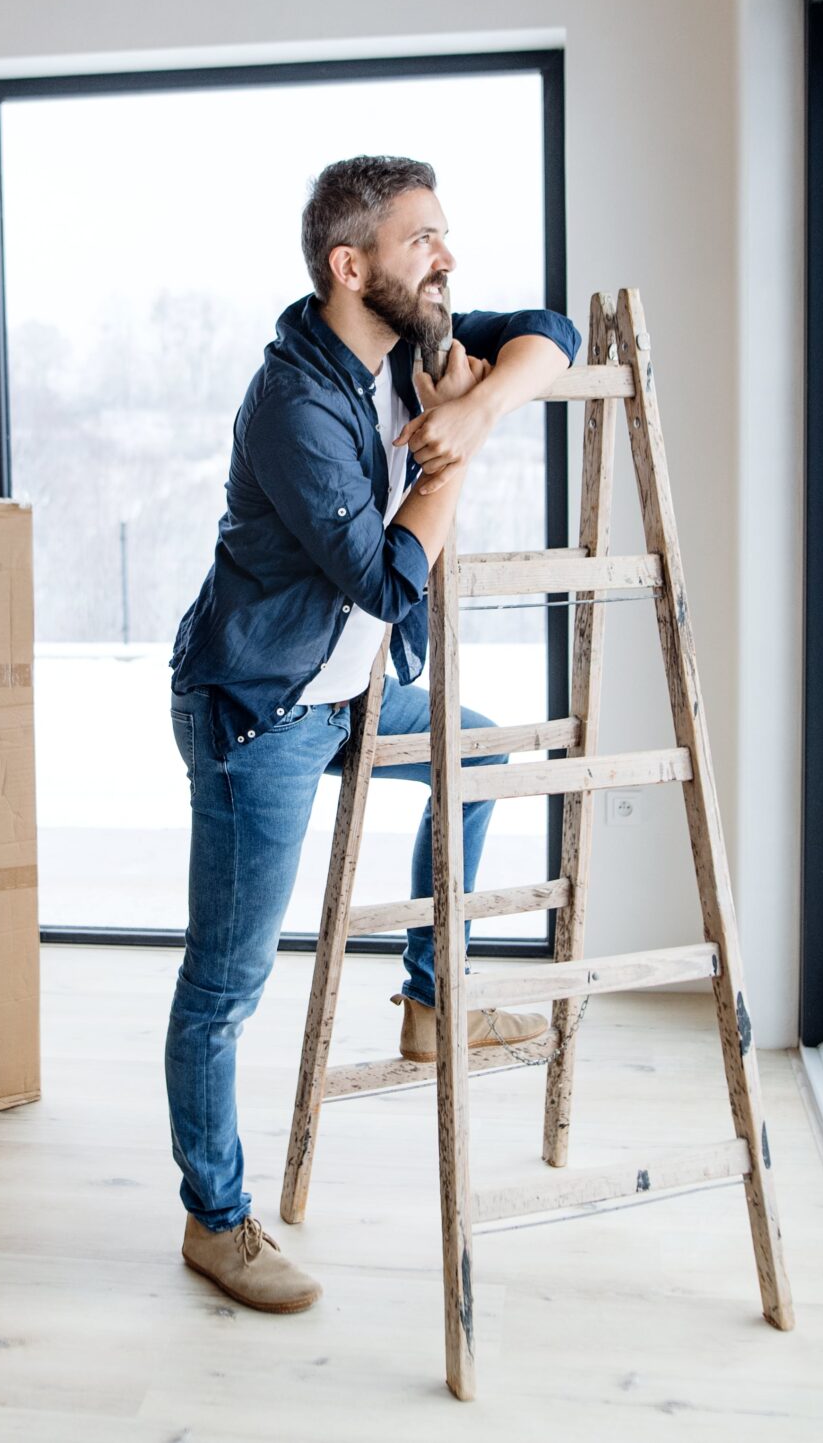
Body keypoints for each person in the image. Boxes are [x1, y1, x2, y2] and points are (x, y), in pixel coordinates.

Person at [164, 154, 582, 1312]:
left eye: (444, 236)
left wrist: (480, 403)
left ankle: (426, 999)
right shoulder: (295, 403)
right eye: (421, 241)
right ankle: (214, 1218)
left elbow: (554, 330)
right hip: (263, 710)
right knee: (226, 986)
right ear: (353, 268)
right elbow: (386, 584)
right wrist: (455, 454)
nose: (445, 259)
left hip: (344, 692)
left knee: (484, 748)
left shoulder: (406, 339)